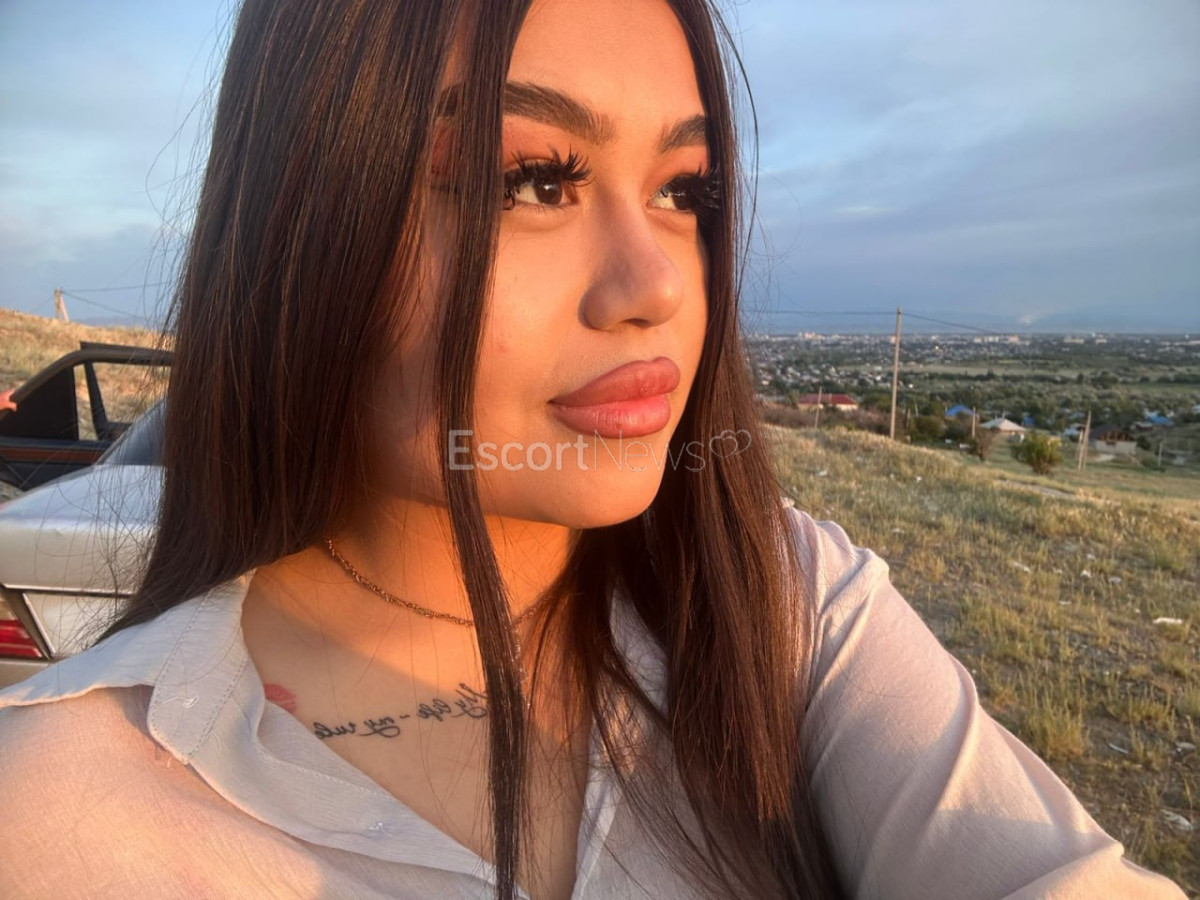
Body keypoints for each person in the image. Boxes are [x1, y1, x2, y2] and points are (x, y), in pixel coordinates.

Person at [0, 2, 1187, 898]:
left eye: (685, 191)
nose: (657, 284)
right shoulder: (56, 818)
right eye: (533, 181)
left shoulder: (783, 605)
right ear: (296, 227)